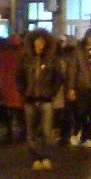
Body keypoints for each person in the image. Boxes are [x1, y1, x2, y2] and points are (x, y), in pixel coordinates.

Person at [18, 30, 60, 168]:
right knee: (31, 132)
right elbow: (19, 78)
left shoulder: (51, 60)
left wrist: (51, 93)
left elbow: (58, 78)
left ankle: (46, 157)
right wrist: (24, 92)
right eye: (37, 41)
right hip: (30, 100)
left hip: (46, 99)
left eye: (42, 41)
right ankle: (35, 158)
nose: (40, 44)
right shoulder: (25, 59)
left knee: (46, 131)